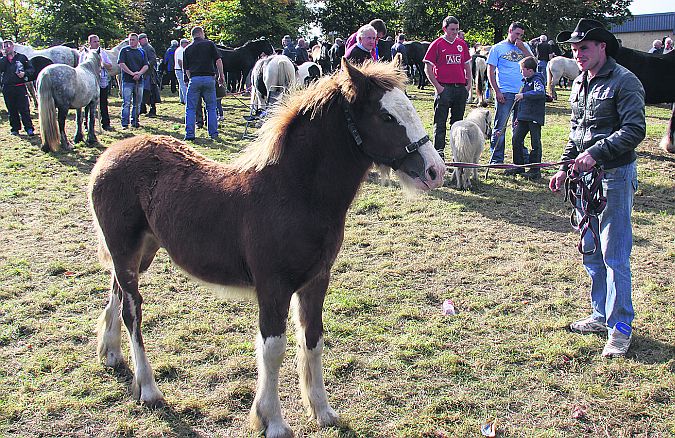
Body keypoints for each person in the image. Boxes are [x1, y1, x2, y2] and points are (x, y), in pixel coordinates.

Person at [549, 19, 645, 358]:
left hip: (615, 177)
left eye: (583, 48)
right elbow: (576, 133)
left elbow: (634, 131)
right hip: (584, 180)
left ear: (602, 47)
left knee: (615, 254)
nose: (577, 54)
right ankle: (600, 315)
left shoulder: (625, 82)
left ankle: (621, 327)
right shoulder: (578, 83)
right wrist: (564, 167)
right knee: (591, 250)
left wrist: (596, 153)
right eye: (574, 49)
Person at [423, 16, 472, 159]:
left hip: (460, 88)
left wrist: (468, 84)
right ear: (444, 29)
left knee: (458, 124)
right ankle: (439, 155)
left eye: (457, 29)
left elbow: (467, 64)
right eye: (452, 29)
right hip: (444, 88)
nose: (455, 32)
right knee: (440, 123)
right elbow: (428, 67)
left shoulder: (461, 44)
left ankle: (457, 155)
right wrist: (438, 87)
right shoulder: (437, 44)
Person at [486, 22, 533, 164]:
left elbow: (533, 64)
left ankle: (520, 160)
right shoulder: (497, 48)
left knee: (519, 127)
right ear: (510, 31)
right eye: (517, 34)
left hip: (522, 93)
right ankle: (496, 159)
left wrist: (523, 48)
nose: (518, 37)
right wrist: (497, 91)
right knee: (500, 127)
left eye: (521, 35)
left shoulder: (525, 47)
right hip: (505, 92)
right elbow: (490, 71)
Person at [504, 56, 546, 179]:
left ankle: (534, 170)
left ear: (529, 70)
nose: (521, 72)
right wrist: (518, 117)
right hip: (523, 117)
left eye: (522, 69)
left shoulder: (537, 80)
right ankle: (518, 165)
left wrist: (523, 95)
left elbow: (540, 92)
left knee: (535, 143)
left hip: (534, 117)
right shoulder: (526, 81)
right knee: (516, 139)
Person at [183, 26, 224, 141]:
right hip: (209, 78)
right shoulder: (209, 44)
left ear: (192, 35)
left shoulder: (187, 49)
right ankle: (213, 133)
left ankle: (190, 134)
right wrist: (221, 76)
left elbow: (186, 70)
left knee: (190, 108)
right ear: (201, 33)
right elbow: (218, 60)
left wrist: (191, 79)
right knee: (211, 107)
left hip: (195, 79)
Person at [0, 39, 35, 136]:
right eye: (4, 46)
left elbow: (31, 69)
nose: (6, 48)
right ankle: (15, 129)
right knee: (11, 109)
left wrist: (25, 73)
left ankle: (29, 128)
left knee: (24, 109)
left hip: (20, 87)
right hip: (7, 88)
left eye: (8, 46)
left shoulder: (22, 57)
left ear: (12, 46)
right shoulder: (3, 60)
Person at [82, 34, 114, 131]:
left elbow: (110, 65)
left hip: (102, 80)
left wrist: (102, 63)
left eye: (98, 41)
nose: (97, 43)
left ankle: (106, 123)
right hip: (89, 82)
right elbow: (80, 66)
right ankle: (87, 125)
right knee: (88, 104)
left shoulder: (102, 53)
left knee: (103, 102)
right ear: (89, 43)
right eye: (94, 41)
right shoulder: (84, 54)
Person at [118, 33, 148, 129]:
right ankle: (124, 123)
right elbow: (121, 64)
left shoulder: (142, 51)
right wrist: (132, 73)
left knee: (137, 103)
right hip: (127, 81)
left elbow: (146, 65)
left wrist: (139, 73)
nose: (131, 42)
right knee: (126, 102)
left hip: (139, 81)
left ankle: (135, 121)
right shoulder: (124, 51)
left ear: (137, 41)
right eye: (130, 40)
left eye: (133, 40)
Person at [139, 33, 159, 116]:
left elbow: (153, 60)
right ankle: (143, 108)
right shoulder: (142, 48)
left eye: (140, 40)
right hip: (144, 74)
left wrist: (145, 66)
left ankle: (152, 110)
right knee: (144, 92)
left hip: (149, 74)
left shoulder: (148, 48)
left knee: (150, 92)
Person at [174, 38, 189, 104]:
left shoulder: (178, 49)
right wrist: (184, 70)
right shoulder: (181, 50)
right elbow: (180, 61)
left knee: (181, 85)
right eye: (187, 43)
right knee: (184, 85)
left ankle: (182, 99)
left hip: (177, 69)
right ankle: (186, 100)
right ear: (184, 43)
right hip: (180, 69)